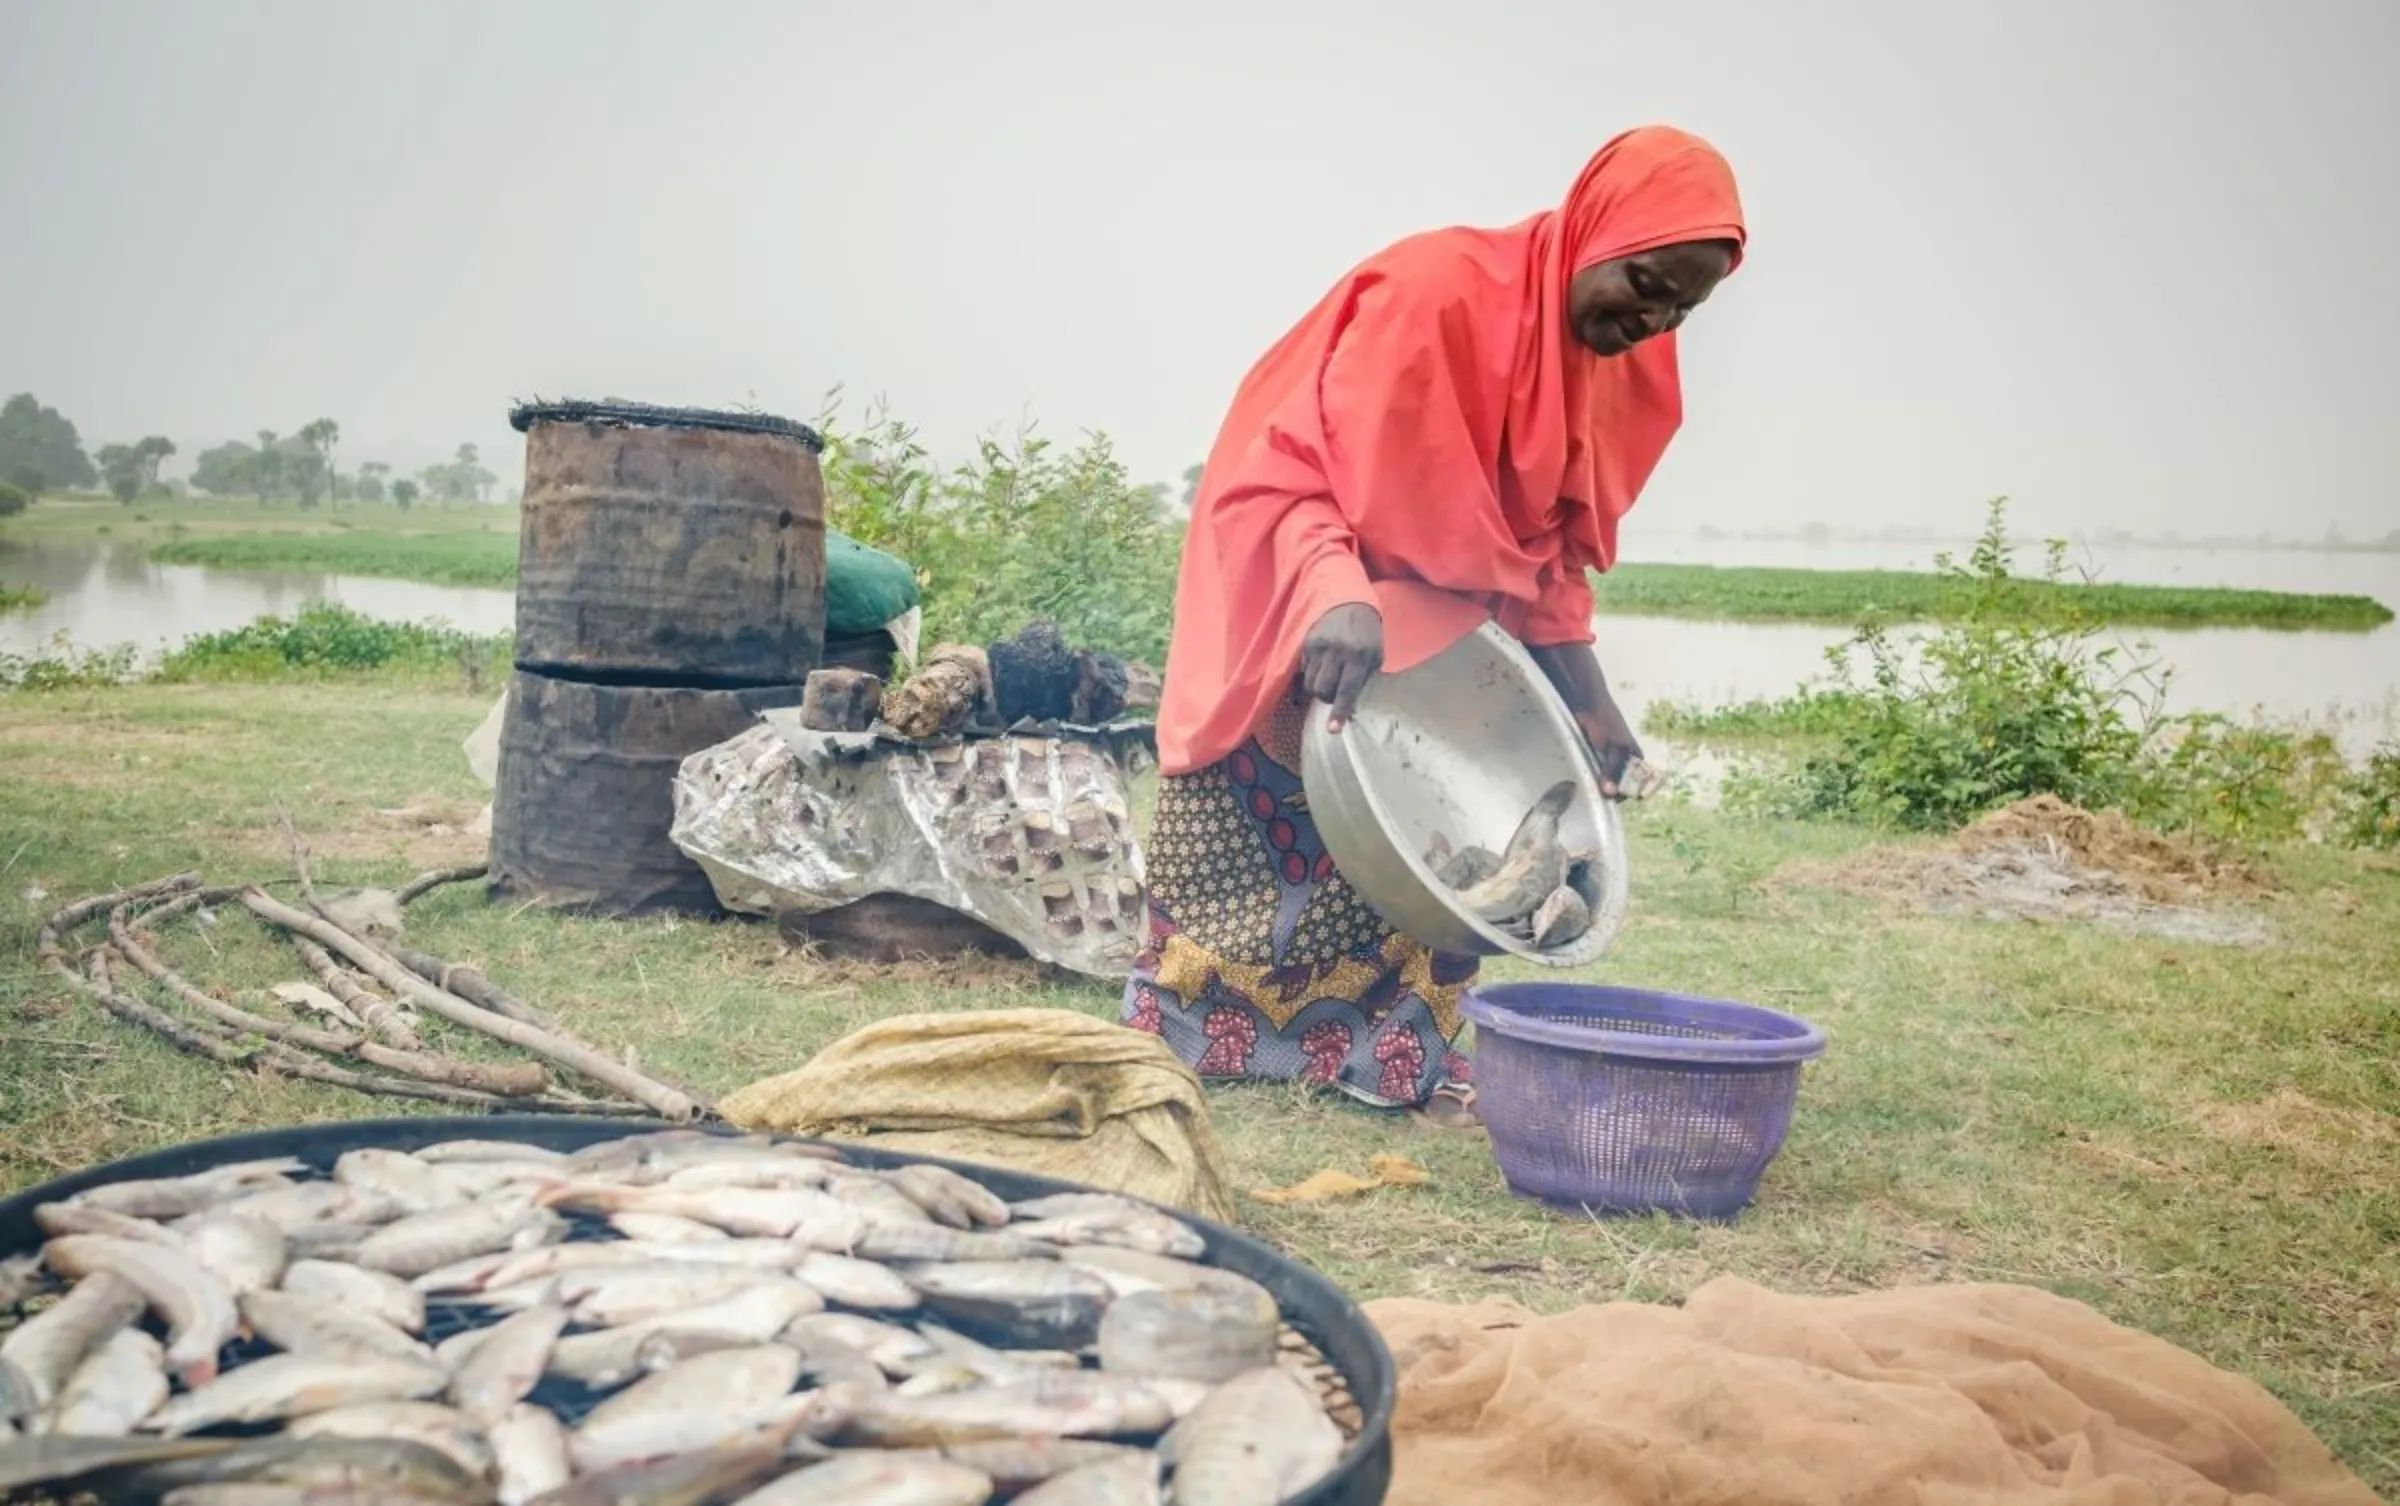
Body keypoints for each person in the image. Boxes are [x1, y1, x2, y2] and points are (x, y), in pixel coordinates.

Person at [1121, 125, 1747, 1127]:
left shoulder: (1627, 373)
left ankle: (1388, 1052)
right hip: (1300, 578)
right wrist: (1335, 590)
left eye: (1683, 305)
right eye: (1643, 282)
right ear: (1592, 231)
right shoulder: (1437, 296)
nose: (1653, 318)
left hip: (1443, 642)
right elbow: (1284, 469)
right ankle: (1199, 1040)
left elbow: (1554, 559)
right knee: (1257, 829)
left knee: (1434, 841)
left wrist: (1594, 710)